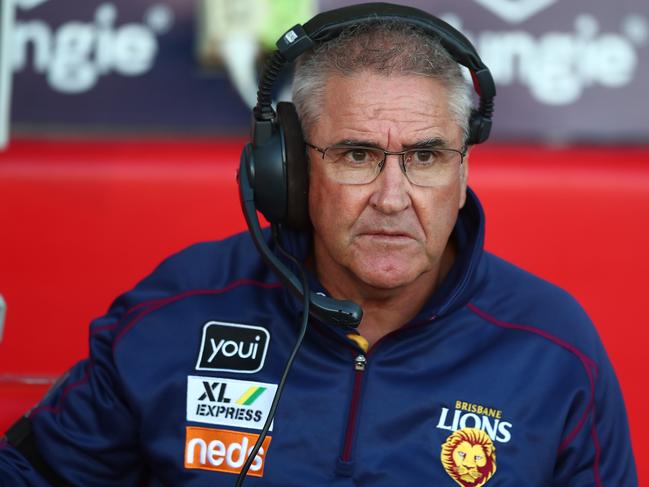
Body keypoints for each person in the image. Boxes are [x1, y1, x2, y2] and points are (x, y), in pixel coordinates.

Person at [0, 3, 637, 486]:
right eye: (356, 155)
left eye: (426, 155)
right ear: (289, 172)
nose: (393, 197)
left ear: (464, 170)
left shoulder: (554, 350)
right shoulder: (178, 309)